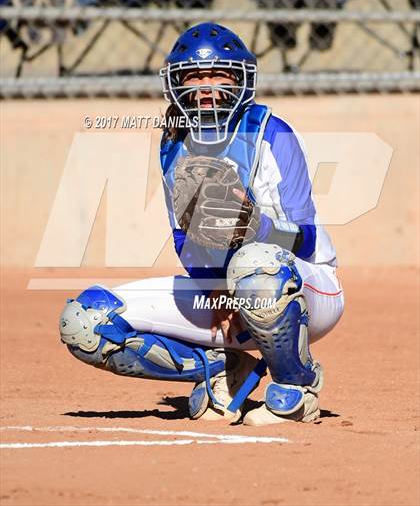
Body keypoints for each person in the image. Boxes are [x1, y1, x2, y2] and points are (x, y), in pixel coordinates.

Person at [59, 23, 344, 426]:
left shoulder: (271, 134)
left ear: (241, 79)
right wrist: (214, 284)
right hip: (224, 295)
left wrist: (255, 227)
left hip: (304, 291)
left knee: (257, 267)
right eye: (194, 76)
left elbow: (307, 237)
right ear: (175, 84)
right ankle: (224, 369)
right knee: (87, 322)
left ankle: (295, 389)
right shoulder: (174, 142)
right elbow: (183, 240)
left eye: (218, 73)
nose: (206, 86)